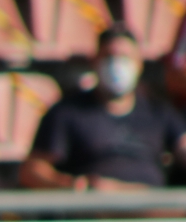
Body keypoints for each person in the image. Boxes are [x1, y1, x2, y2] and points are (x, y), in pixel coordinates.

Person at [20, 26, 186, 191]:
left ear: (139, 64)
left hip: (151, 202)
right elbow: (32, 171)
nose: (117, 64)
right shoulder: (68, 112)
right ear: (94, 61)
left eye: (125, 57)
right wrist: (73, 186)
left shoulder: (158, 112)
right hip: (95, 203)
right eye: (109, 57)